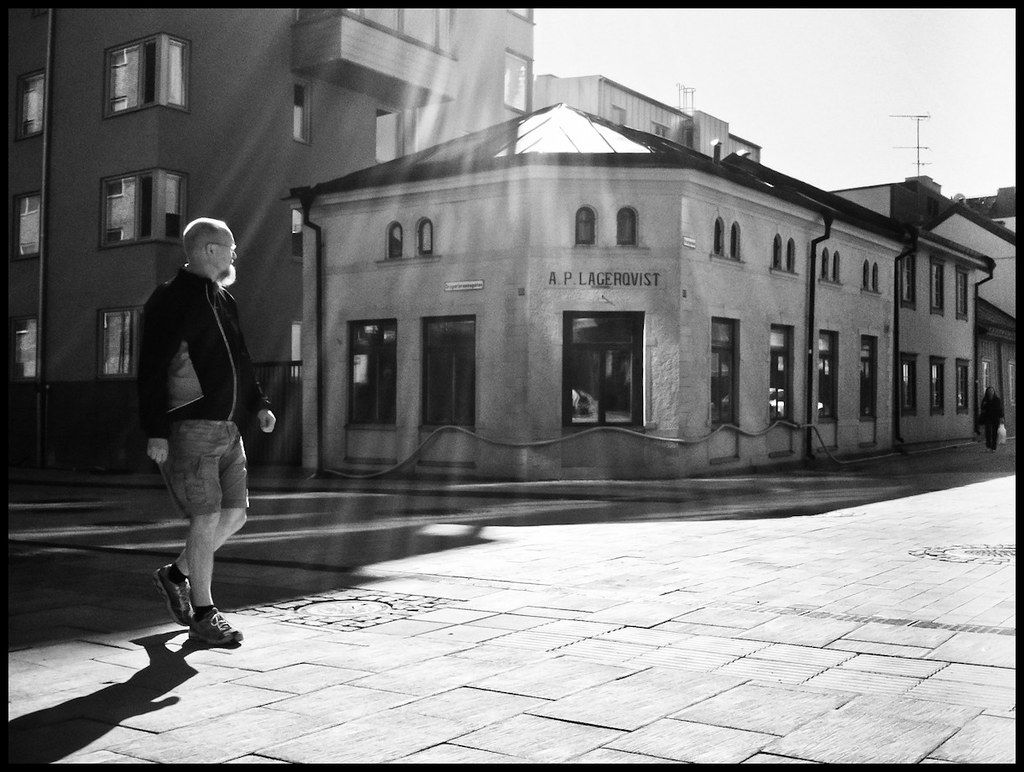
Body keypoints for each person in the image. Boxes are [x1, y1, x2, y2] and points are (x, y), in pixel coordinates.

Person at [138, 217, 275, 645]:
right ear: (209, 250)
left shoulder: (223, 299)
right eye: (230, 247)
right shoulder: (169, 299)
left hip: (230, 428)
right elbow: (151, 368)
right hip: (192, 428)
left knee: (236, 515)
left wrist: (259, 405)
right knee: (207, 516)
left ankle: (175, 574)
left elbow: (242, 360)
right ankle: (204, 612)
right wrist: (156, 430)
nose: (235, 254)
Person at [976, 385, 1005, 452]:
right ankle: (988, 446)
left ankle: (993, 447)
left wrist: (1001, 417)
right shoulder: (985, 400)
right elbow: (982, 408)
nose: (990, 392)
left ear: (994, 392)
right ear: (987, 392)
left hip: (995, 418)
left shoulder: (997, 400)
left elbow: (1000, 409)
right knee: (988, 432)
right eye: (989, 391)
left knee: (994, 433)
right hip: (987, 418)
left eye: (992, 391)